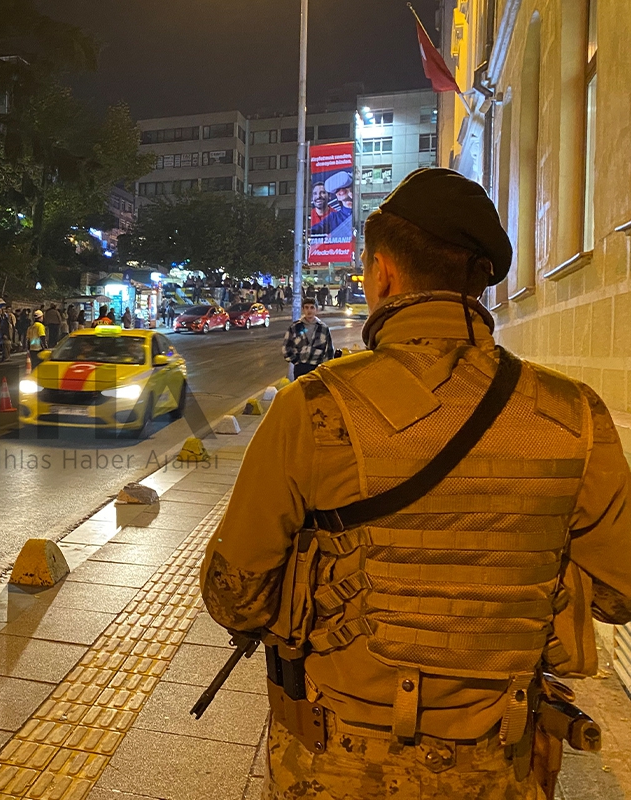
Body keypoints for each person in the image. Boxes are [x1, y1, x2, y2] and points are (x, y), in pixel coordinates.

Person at [200, 167, 631, 800]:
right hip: (501, 758)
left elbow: (234, 595)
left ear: (383, 273)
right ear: (481, 282)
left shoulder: (313, 409)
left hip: (335, 759)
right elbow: (620, 593)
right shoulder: (574, 413)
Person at [283, 299, 333, 378]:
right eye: (306, 307)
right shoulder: (295, 327)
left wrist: (325, 367)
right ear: (303, 309)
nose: (309, 310)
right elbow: (286, 348)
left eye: (312, 307)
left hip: (317, 369)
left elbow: (329, 351)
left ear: (316, 310)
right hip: (300, 368)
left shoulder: (323, 328)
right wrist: (296, 362)